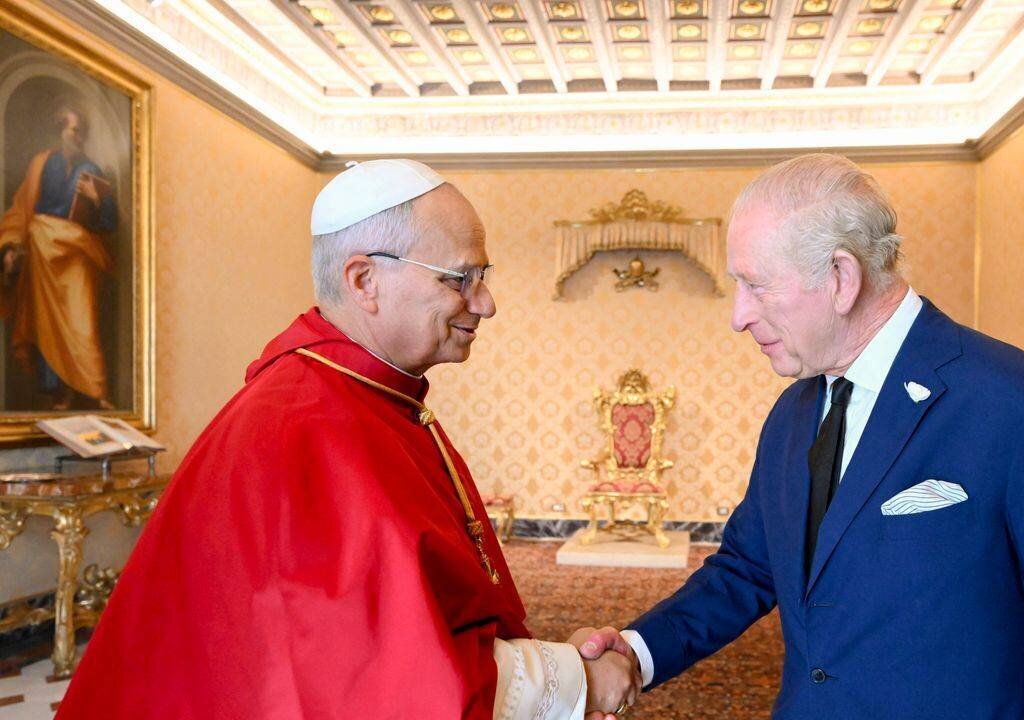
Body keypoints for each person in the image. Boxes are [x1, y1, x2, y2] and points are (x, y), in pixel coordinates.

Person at [578, 153, 1024, 718]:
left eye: (756, 286)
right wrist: (636, 650)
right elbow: (748, 568)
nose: (738, 316)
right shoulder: (793, 413)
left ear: (841, 277)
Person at [57, 160, 638, 719]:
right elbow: (387, 683)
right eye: (461, 278)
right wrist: (579, 679)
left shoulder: (362, 396)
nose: (486, 302)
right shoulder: (305, 425)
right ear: (364, 281)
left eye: (483, 277)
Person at [0, 104, 118, 410]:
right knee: (47, 324)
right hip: (42, 249)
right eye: (73, 130)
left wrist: (96, 199)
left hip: (78, 253)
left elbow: (109, 222)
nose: (77, 136)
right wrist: (9, 247)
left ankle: (93, 388)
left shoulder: (92, 170)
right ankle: (58, 394)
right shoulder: (41, 164)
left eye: (81, 131)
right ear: (61, 131)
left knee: (82, 323)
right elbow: (20, 210)